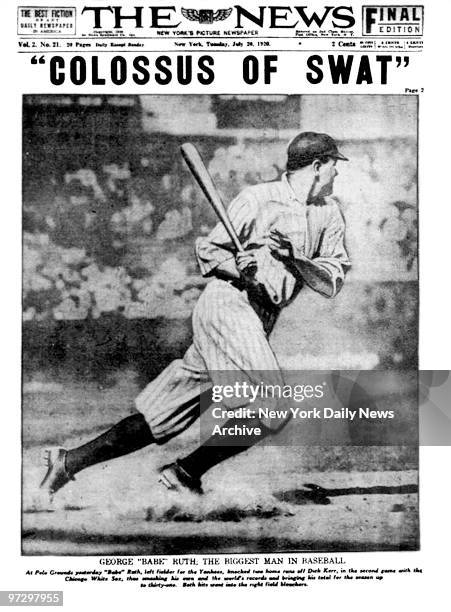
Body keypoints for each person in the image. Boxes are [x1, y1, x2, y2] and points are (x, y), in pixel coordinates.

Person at [40, 131, 351, 500]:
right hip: (228, 305)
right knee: (275, 404)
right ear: (317, 166)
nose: (337, 173)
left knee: (164, 414)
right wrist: (240, 269)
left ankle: (68, 461)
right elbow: (208, 253)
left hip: (259, 316)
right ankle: (185, 472)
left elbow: (329, 283)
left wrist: (293, 259)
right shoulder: (257, 198)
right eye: (334, 164)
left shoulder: (329, 213)